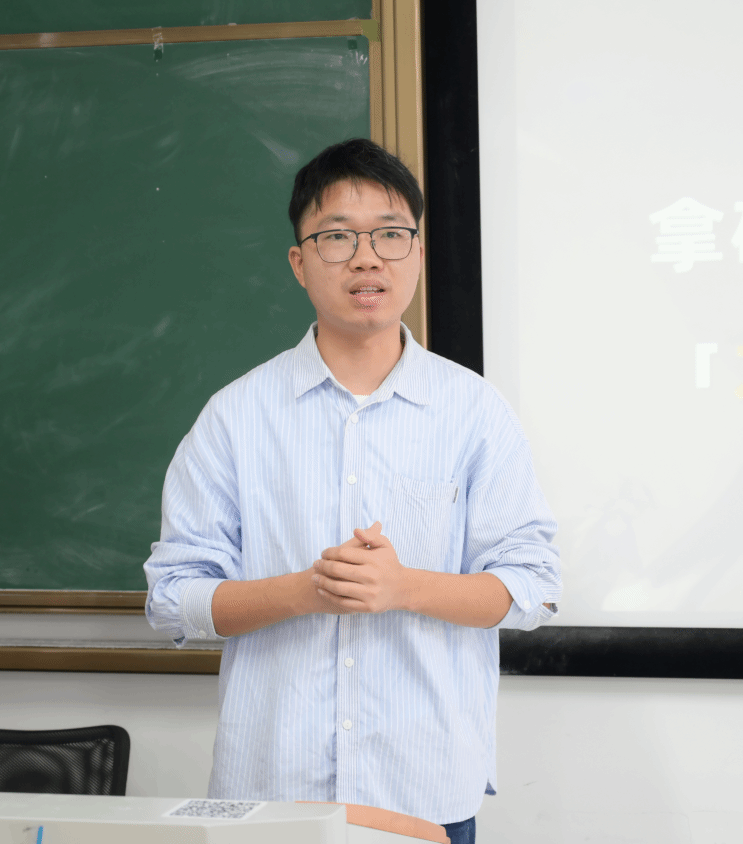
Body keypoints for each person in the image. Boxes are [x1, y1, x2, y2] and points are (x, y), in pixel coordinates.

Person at [144, 138, 561, 844]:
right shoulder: (236, 416)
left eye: (391, 235)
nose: (367, 258)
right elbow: (171, 599)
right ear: (299, 263)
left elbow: (533, 587)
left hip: (423, 791)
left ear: (418, 254)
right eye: (337, 237)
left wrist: (403, 587)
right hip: (271, 792)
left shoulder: (475, 413)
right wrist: (305, 591)